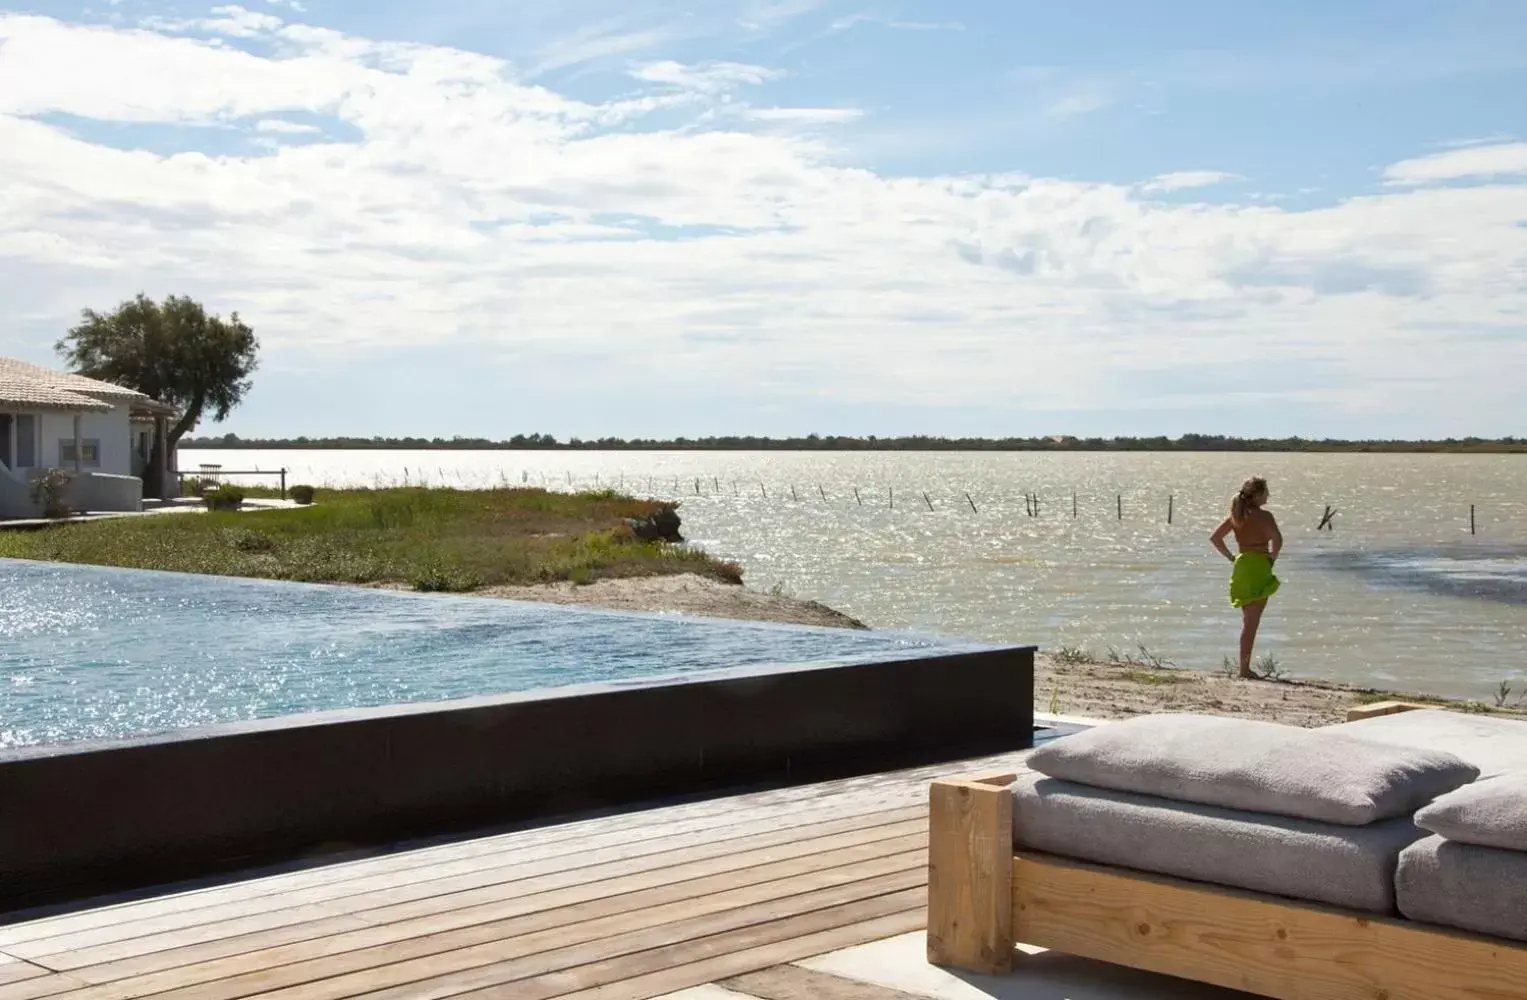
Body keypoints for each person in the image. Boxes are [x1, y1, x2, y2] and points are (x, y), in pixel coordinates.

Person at [1209, 476, 1281, 679]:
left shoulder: (1237, 515)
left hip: (1241, 566)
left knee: (1247, 621)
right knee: (1252, 623)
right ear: (1258, 495)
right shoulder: (1266, 516)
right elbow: (1278, 539)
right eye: (1266, 492)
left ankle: (1244, 667)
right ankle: (1244, 669)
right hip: (1259, 566)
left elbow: (1215, 538)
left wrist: (1232, 557)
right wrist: (1272, 559)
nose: (1269, 495)